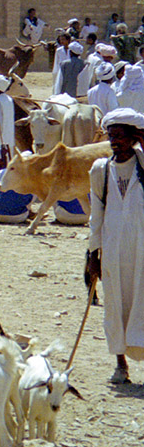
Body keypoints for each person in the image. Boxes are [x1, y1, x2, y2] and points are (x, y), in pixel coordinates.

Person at [87, 108, 144, 384]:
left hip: (141, 251)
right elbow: (95, 216)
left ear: (134, 138)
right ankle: (120, 365)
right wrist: (92, 254)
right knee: (115, 307)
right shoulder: (101, 170)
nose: (114, 142)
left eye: (120, 136)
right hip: (112, 252)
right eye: (111, 136)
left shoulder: (143, 165)